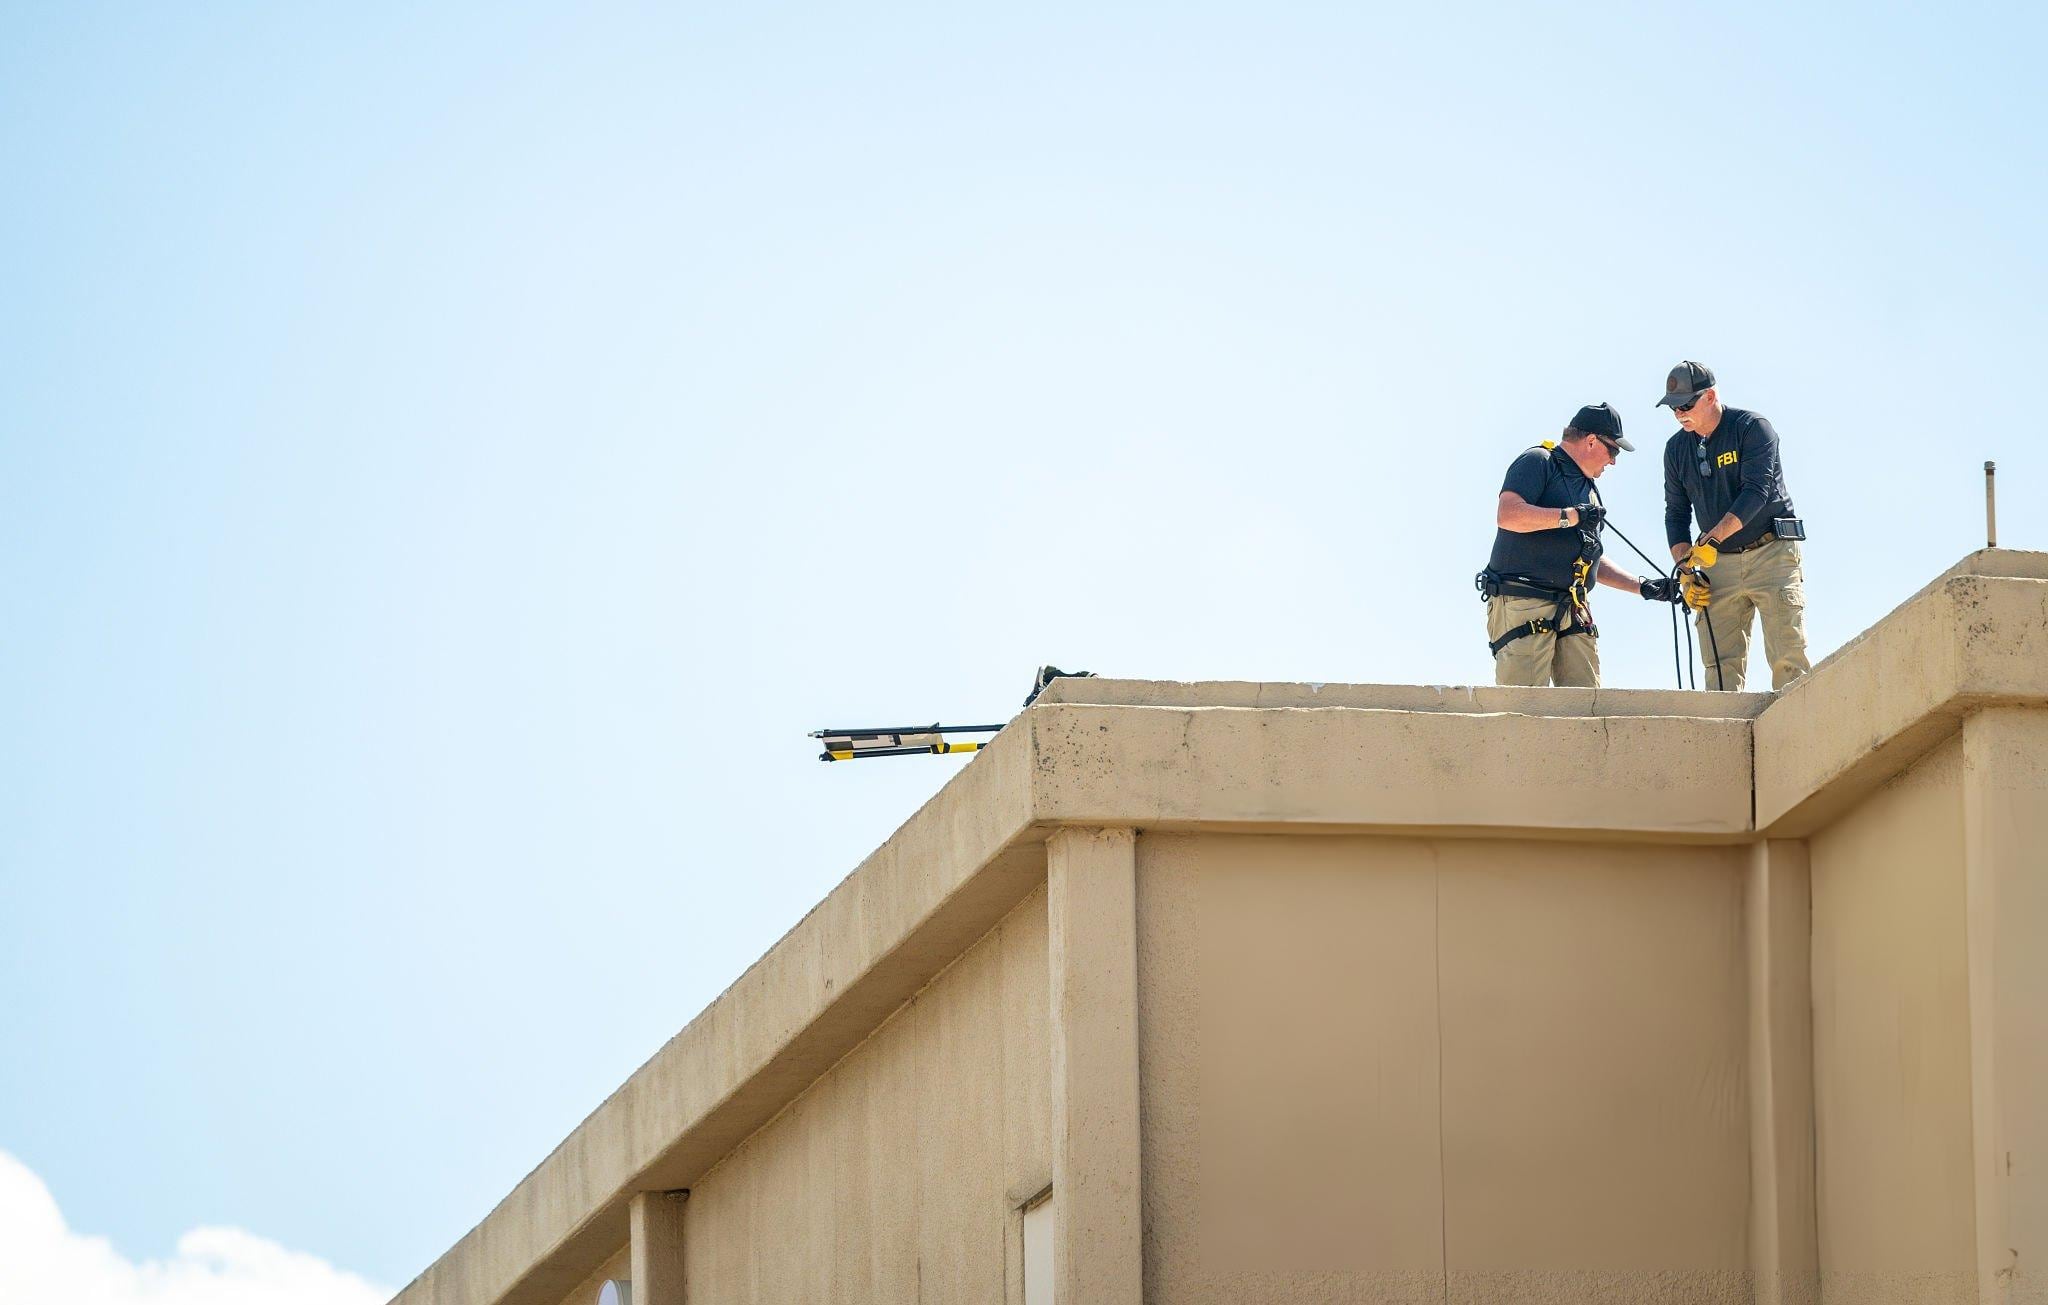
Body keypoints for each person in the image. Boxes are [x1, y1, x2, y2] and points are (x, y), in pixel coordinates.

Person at [1478, 404, 1684, 687]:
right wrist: (1571, 516)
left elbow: (1590, 556)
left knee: (1585, 707)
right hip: (1525, 601)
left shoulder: (1587, 489)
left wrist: (1642, 586)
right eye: (1613, 451)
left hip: (1572, 608)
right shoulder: (1539, 461)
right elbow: (1509, 515)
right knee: (1523, 709)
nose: (1613, 462)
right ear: (1591, 441)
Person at [1657, 361, 1811, 691]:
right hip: (1718, 563)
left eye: (1686, 404)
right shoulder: (1675, 450)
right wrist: (1685, 567)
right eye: (1673, 407)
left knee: (1788, 658)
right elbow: (1676, 515)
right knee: (1719, 669)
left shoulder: (1752, 427)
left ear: (1710, 396)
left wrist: (1711, 540)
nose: (1679, 413)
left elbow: (1757, 491)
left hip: (1770, 552)